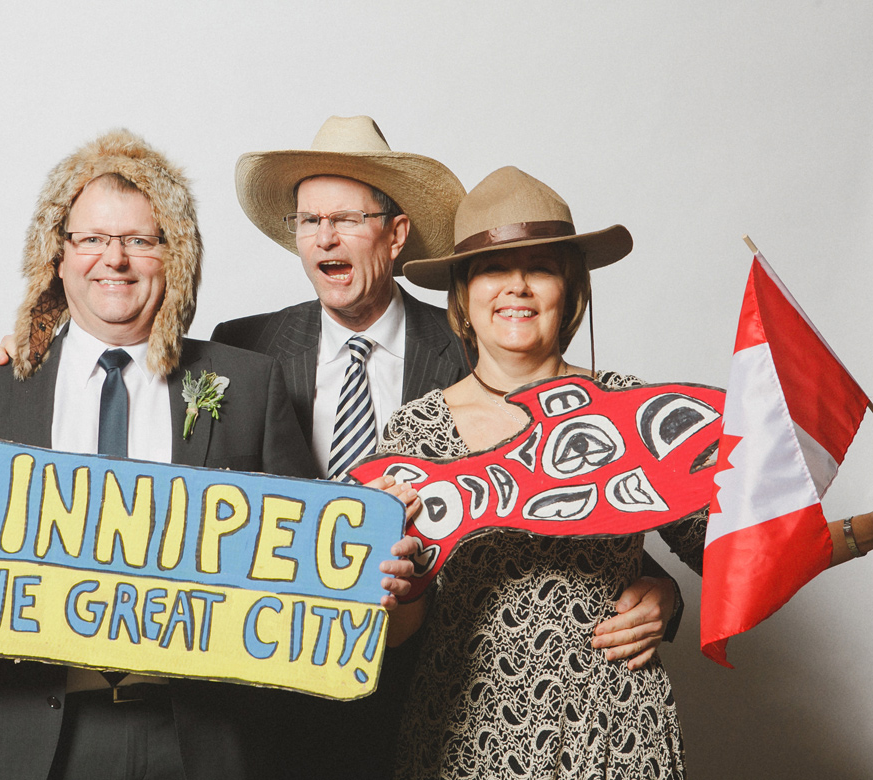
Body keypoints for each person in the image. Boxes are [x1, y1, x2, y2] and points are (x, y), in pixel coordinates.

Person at [211, 116, 683, 779]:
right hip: (284, 699)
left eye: (345, 218)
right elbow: (191, 494)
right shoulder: (239, 348)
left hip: (432, 695)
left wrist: (661, 593)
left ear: (397, 232)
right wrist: (32, 350)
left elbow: (587, 511)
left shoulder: (481, 346)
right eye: (309, 220)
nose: (324, 236)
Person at [0, 130, 337, 780]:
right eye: (91, 239)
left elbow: (305, 568)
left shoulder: (247, 385)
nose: (113, 260)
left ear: (173, 257)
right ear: (57, 257)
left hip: (198, 738)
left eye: (140, 241)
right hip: (31, 740)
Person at [382, 166, 706, 779]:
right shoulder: (414, 435)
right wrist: (396, 581)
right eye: (494, 268)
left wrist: (669, 599)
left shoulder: (631, 411)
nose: (518, 287)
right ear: (463, 291)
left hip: (613, 737)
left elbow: (729, 551)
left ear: (571, 288)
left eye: (542, 267)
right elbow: (398, 633)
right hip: (464, 740)